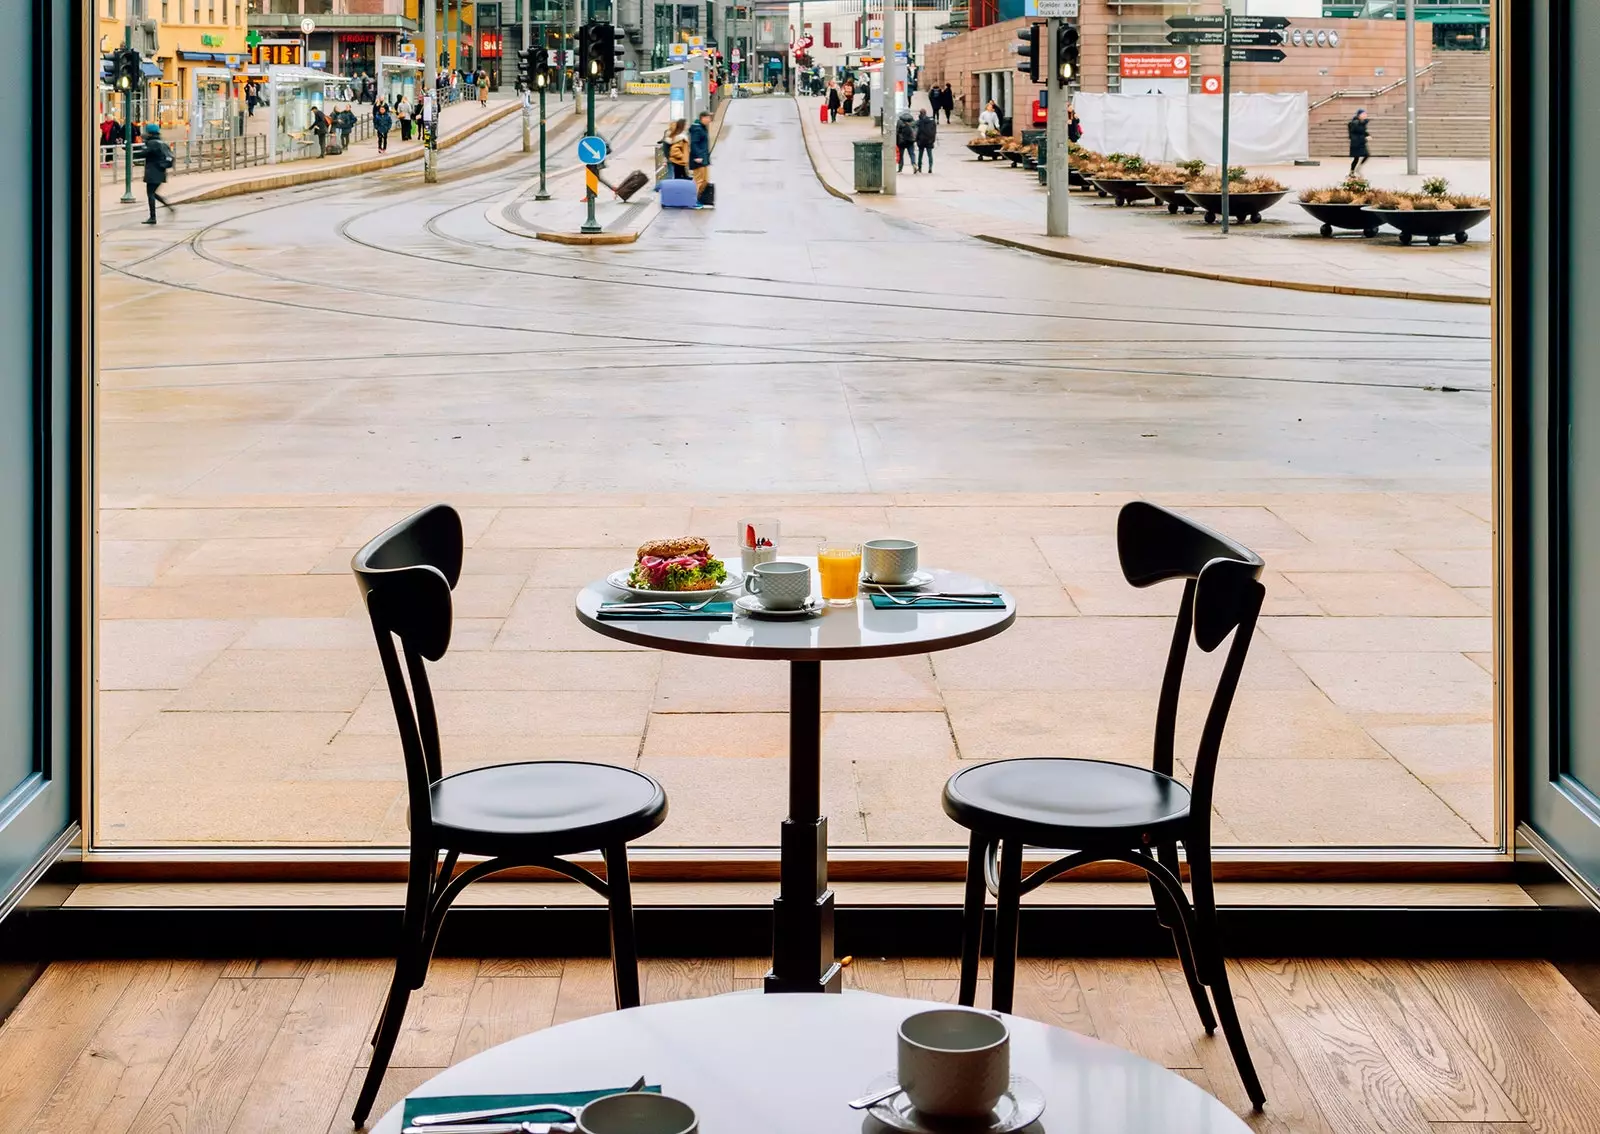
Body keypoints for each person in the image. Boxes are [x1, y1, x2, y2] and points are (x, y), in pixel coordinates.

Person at [139, 122, 175, 225]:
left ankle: (153, 217)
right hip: (160, 171)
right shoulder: (162, 142)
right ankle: (168, 207)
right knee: (153, 193)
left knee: (150, 194)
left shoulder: (152, 143)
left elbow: (143, 153)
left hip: (152, 172)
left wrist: (143, 144)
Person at [688, 109, 713, 205]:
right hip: (698, 159)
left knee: (705, 180)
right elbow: (694, 144)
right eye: (708, 118)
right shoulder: (697, 129)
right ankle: (694, 199)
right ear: (703, 118)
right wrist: (698, 156)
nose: (710, 120)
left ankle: (699, 198)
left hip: (704, 159)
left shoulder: (702, 128)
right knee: (699, 180)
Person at [1348, 107, 1370, 174]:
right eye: (1363, 114)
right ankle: (1352, 171)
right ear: (1359, 115)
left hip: (1361, 143)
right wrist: (1365, 137)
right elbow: (1354, 134)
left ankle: (1357, 169)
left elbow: (1363, 131)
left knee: (1366, 155)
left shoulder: (1362, 123)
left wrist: (1368, 135)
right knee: (1356, 158)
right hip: (1356, 143)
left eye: (1365, 114)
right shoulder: (1354, 123)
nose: (1365, 115)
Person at [914, 107, 936, 173]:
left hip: (921, 141)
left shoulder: (918, 122)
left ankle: (920, 167)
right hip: (929, 140)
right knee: (930, 155)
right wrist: (933, 139)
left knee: (920, 155)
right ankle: (930, 167)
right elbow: (934, 131)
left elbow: (916, 131)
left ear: (920, 114)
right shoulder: (931, 121)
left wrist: (916, 139)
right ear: (926, 113)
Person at [895, 107, 916, 173]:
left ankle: (900, 168)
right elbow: (915, 130)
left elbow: (897, 132)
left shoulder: (899, 121)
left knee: (901, 155)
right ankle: (914, 164)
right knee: (912, 154)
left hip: (901, 142)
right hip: (910, 141)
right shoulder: (912, 122)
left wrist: (896, 141)